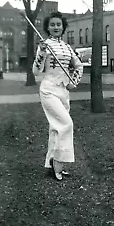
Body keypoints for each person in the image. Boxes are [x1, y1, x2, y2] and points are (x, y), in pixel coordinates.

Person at [32, 11, 83, 181]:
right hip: (48, 89)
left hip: (63, 91)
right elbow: (36, 70)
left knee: (55, 129)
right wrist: (41, 53)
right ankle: (58, 164)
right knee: (66, 124)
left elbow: (79, 66)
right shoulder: (44, 45)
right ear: (47, 27)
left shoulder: (67, 47)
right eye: (52, 24)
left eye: (58, 24)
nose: (56, 27)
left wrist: (73, 82)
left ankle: (50, 164)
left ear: (63, 27)